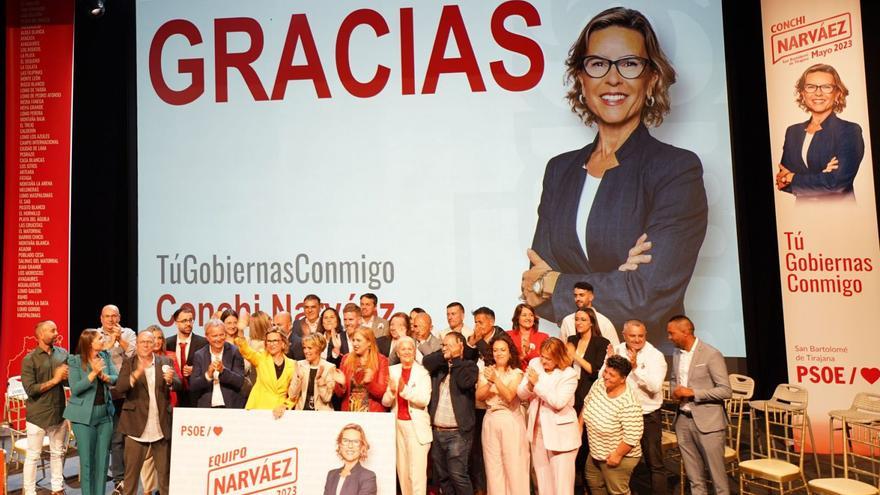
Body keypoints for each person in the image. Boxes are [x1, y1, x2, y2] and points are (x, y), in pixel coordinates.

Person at [522, 7, 708, 350]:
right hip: (574, 361)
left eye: (629, 63)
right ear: (581, 77)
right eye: (598, 64)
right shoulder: (559, 170)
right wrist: (618, 279)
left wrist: (557, 282)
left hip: (644, 364)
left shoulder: (676, 170)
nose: (612, 78)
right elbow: (534, 289)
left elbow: (647, 296)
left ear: (651, 77)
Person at [776, 63, 865, 200]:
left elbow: (836, 183)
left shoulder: (849, 130)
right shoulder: (792, 132)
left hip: (842, 216)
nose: (818, 92)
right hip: (802, 216)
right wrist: (822, 176)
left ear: (837, 94)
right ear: (802, 94)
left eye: (826, 87)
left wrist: (793, 177)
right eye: (810, 87)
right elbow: (782, 182)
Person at [668, 315, 732, 495]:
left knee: (717, 478)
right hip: (683, 420)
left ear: (686, 332)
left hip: (708, 423)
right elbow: (675, 379)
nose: (669, 337)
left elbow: (725, 390)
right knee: (694, 478)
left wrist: (693, 393)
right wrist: (675, 391)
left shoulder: (711, 354)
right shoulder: (676, 353)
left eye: (671, 333)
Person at [116, 331, 181, 495]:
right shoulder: (129, 363)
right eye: (142, 342)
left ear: (154, 345)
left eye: (149, 342)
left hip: (160, 426)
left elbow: (179, 384)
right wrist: (137, 373)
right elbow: (120, 388)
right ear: (136, 344)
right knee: (131, 478)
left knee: (165, 477)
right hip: (135, 427)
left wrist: (171, 380)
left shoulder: (165, 361)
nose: (145, 345)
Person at [607, 319, 667, 494]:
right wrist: (607, 362)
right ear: (624, 335)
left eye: (640, 336)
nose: (636, 339)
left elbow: (655, 386)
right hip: (621, 416)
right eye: (632, 336)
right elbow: (604, 378)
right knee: (624, 463)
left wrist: (635, 369)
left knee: (654, 463)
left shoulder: (655, 356)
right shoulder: (617, 350)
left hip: (647, 416)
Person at [517, 338, 580, 495]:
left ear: (559, 357)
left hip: (561, 436)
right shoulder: (534, 364)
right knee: (544, 486)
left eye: (548, 358)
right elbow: (521, 393)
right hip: (538, 433)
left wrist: (536, 384)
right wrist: (530, 386)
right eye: (542, 356)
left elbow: (558, 402)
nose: (543, 361)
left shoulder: (569, 374)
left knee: (562, 488)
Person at [423, 332, 479, 495]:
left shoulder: (469, 366)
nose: (444, 348)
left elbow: (464, 382)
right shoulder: (439, 367)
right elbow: (427, 361)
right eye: (443, 345)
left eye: (448, 345)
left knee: (458, 475)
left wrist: (456, 359)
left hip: (458, 433)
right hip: (438, 431)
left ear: (460, 346)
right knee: (443, 477)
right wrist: (447, 353)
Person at [64, 329, 117, 495]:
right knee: (87, 462)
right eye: (100, 338)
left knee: (102, 462)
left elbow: (117, 377)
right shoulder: (75, 361)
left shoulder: (105, 357)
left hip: (105, 415)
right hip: (83, 418)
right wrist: (93, 373)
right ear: (90, 342)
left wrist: (106, 377)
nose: (104, 339)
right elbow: (76, 388)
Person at [581, 355, 644, 495]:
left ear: (623, 379)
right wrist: (579, 427)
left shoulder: (629, 403)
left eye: (612, 375)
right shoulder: (599, 384)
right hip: (596, 451)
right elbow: (586, 404)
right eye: (606, 372)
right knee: (595, 485)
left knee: (617, 492)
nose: (606, 377)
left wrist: (617, 455)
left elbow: (633, 436)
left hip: (618, 456)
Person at [20, 320, 69, 495]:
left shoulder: (63, 354)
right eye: (52, 330)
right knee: (33, 456)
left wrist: (67, 377)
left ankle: (57, 488)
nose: (56, 333)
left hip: (59, 413)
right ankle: (30, 491)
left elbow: (69, 381)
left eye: (56, 329)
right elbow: (31, 390)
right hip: (38, 415)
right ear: (41, 335)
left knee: (57, 453)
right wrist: (55, 380)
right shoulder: (29, 359)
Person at [476, 333, 529, 495]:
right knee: (493, 468)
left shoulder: (517, 373)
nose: (498, 353)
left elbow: (509, 396)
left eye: (502, 350)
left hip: (510, 419)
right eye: (495, 350)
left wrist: (495, 380)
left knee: (514, 467)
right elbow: (479, 396)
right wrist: (490, 381)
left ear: (510, 352)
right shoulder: (487, 371)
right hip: (490, 418)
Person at [382, 337, 432, 495]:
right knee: (402, 473)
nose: (407, 352)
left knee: (416, 475)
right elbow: (386, 401)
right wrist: (391, 392)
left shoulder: (423, 373)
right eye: (403, 349)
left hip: (416, 427)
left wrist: (403, 390)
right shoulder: (393, 371)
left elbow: (424, 400)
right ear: (397, 352)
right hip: (398, 426)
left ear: (414, 350)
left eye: (410, 348)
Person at [566, 306, 610, 488]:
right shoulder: (571, 339)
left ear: (591, 322)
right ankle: (575, 485)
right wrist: (567, 355)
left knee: (587, 442)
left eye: (583, 319)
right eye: (576, 319)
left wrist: (575, 355)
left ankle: (589, 486)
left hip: (590, 395)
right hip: (571, 394)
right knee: (573, 442)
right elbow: (564, 363)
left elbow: (595, 370)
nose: (578, 323)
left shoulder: (601, 342)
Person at [96, 304, 136, 491]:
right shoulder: (93, 334)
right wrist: (109, 344)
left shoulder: (128, 333)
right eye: (107, 316)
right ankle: (100, 476)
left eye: (114, 316)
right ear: (101, 318)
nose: (111, 320)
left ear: (119, 317)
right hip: (101, 392)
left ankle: (120, 479)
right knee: (104, 439)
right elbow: (90, 355)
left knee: (120, 437)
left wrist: (119, 339)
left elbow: (134, 354)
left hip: (123, 392)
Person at [140, 326, 183, 494]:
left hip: (167, 410)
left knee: (165, 454)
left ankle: (164, 489)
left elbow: (180, 384)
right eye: (153, 338)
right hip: (146, 412)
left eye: (159, 338)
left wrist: (172, 380)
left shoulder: (170, 357)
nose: (156, 341)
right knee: (147, 455)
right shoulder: (139, 359)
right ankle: (148, 490)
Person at [235, 328, 297, 417]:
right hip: (259, 408)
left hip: (279, 412)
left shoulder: (292, 364)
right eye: (269, 341)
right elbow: (247, 352)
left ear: (283, 343)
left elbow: (294, 394)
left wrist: (285, 406)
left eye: (275, 341)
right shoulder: (261, 358)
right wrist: (240, 335)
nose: (271, 344)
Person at [190, 319, 246, 408]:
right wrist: (208, 375)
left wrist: (223, 371)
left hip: (231, 406)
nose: (219, 339)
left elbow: (240, 381)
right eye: (214, 336)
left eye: (221, 335)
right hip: (207, 407)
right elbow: (193, 385)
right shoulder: (199, 355)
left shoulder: (234, 352)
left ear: (225, 334)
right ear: (207, 337)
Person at [334, 327, 389, 412]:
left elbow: (382, 393)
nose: (355, 343)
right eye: (353, 340)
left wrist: (370, 383)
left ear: (369, 343)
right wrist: (341, 385)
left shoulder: (381, 360)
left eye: (358, 340)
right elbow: (339, 394)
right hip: (349, 412)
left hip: (372, 413)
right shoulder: (346, 358)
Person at [165, 306, 207, 406]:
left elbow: (208, 367)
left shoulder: (203, 343)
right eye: (184, 321)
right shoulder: (167, 343)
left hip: (196, 396)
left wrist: (195, 370)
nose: (188, 324)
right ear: (176, 322)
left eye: (190, 320)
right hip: (174, 395)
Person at [323, 423, 378, 495]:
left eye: (356, 442)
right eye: (345, 440)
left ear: (362, 446)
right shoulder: (331, 475)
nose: (350, 446)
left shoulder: (368, 477)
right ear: (340, 444)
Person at [288, 333, 336, 411]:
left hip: (322, 414)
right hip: (302, 412)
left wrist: (320, 382)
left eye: (310, 348)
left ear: (319, 349)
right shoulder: (299, 365)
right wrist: (298, 378)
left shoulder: (329, 367)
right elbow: (292, 395)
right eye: (304, 348)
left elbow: (327, 398)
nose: (306, 351)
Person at [506, 303, 548, 371]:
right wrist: (521, 357)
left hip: (537, 374)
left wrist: (528, 355)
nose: (528, 318)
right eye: (524, 315)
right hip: (513, 374)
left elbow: (546, 360)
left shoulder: (544, 337)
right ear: (517, 318)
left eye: (531, 315)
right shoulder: (508, 335)